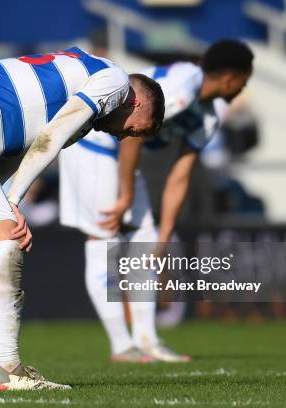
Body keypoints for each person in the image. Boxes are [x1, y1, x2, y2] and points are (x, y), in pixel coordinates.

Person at [0, 46, 164, 390]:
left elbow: (19, 150)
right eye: (136, 130)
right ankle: (9, 369)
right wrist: (10, 202)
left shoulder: (84, 103)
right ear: (137, 103)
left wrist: (6, 197)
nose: (126, 136)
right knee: (8, 239)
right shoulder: (114, 81)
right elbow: (50, 138)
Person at [59, 39, 254, 363]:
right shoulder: (185, 84)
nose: (244, 87)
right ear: (232, 78)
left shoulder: (207, 118)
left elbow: (181, 176)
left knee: (146, 239)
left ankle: (147, 340)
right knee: (104, 238)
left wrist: (165, 233)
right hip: (94, 146)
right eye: (245, 80)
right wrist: (126, 196)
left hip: (119, 155)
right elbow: (136, 122)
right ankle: (122, 345)